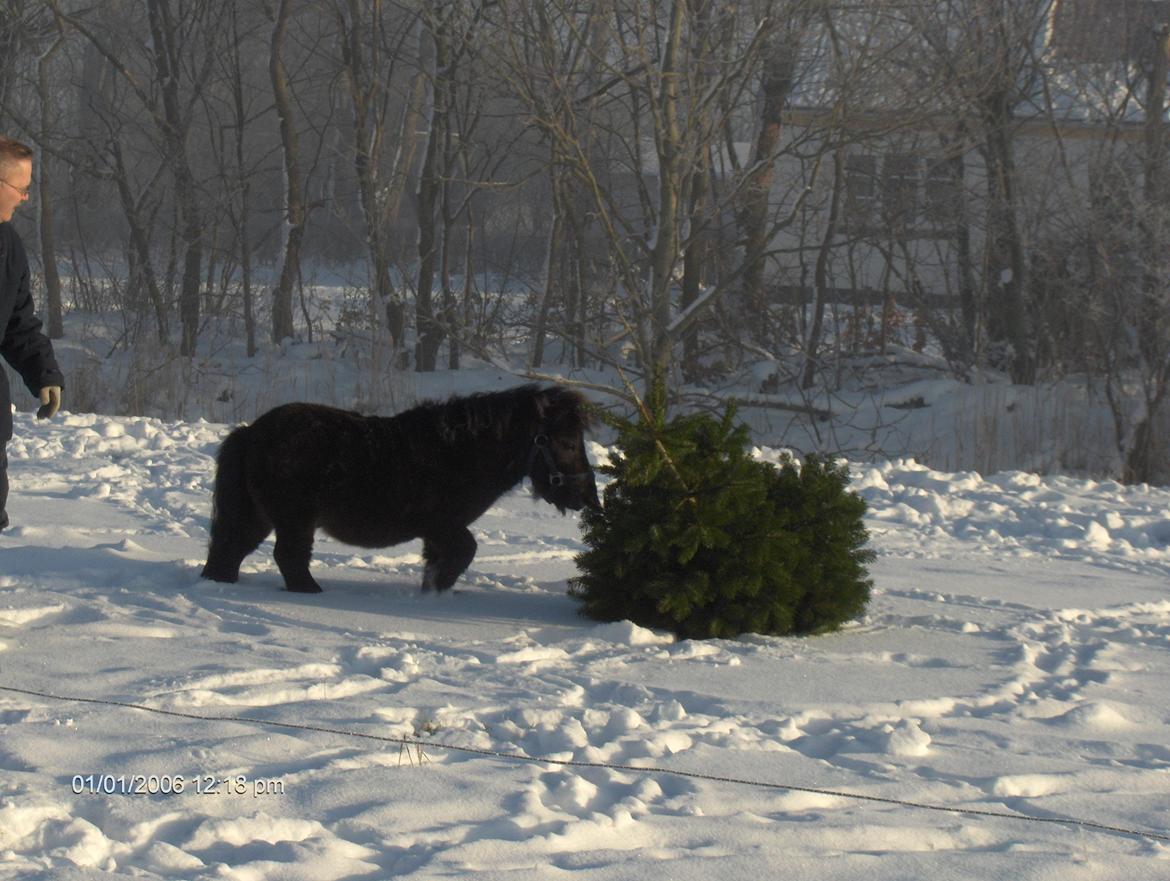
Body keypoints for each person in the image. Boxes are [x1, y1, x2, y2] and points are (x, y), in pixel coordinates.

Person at [0, 136, 64, 529]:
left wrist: (43, 373)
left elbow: (17, 320)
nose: (26, 198)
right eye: (21, 188)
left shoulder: (8, 245)